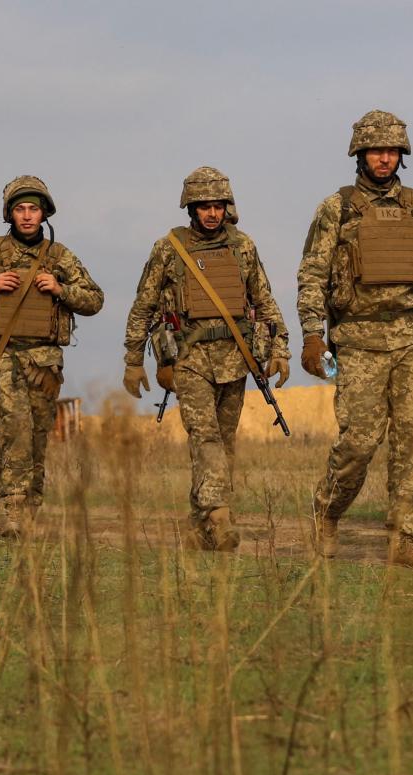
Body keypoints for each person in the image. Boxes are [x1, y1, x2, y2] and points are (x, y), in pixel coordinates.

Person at [296, 110, 413, 569]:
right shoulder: (336, 208)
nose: (384, 159)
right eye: (375, 151)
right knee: (359, 442)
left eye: (391, 152)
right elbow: (312, 276)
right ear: (360, 154)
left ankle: (404, 537)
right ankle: (327, 513)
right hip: (358, 341)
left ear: (401, 155)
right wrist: (312, 336)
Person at [122, 166, 289, 550]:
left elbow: (264, 300)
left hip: (236, 357)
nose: (212, 214)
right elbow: (143, 306)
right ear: (190, 208)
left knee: (223, 442)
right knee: (206, 436)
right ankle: (220, 516)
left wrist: (280, 350)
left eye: (218, 206)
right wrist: (134, 360)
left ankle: (200, 527)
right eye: (204, 207)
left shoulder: (242, 246)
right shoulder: (168, 249)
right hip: (189, 359)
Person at [0, 175, 104, 537]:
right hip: (1, 355)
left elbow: (95, 300)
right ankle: (3, 511)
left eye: (34, 209)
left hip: (44, 364)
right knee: (6, 434)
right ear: (10, 214)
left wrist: (61, 289)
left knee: (34, 441)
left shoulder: (59, 256)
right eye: (21, 209)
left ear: (44, 212)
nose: (28, 216)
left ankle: (25, 512)